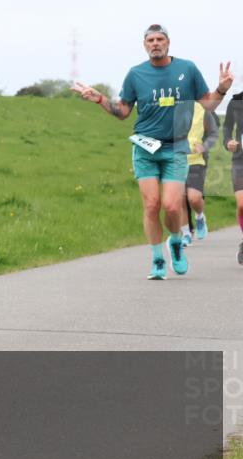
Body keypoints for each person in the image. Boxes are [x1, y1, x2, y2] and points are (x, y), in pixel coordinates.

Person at [72, 25, 232, 280]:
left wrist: (222, 88)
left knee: (171, 206)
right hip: (145, 147)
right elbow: (123, 112)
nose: (155, 43)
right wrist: (100, 99)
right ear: (145, 45)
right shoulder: (136, 74)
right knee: (151, 205)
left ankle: (176, 241)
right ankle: (157, 260)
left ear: (168, 43)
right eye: (150, 40)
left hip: (175, 148)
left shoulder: (187, 69)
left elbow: (208, 105)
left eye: (159, 39)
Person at [180, 103, 219, 245]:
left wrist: (204, 146)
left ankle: (200, 216)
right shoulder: (170, 106)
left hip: (196, 160)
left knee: (194, 198)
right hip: (175, 160)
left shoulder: (202, 108)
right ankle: (185, 233)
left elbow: (214, 133)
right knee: (179, 199)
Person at [223, 89, 243, 264]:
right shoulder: (236, 101)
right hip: (240, 159)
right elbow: (227, 127)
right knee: (242, 203)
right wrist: (228, 141)